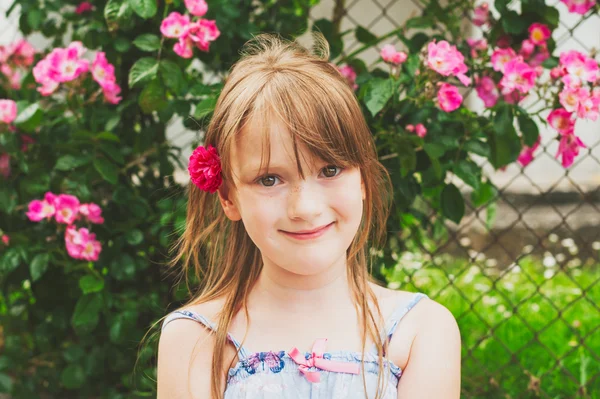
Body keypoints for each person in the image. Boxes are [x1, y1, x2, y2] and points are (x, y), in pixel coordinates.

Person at [156, 31, 461, 399]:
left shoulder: (419, 331)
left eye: (330, 170)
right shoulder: (194, 340)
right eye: (269, 179)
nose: (305, 208)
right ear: (228, 197)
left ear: (363, 177)